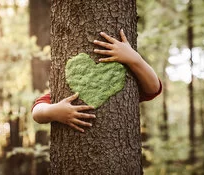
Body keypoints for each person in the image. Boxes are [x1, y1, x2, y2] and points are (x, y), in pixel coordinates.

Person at [31, 29, 162, 133]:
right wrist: (54, 111)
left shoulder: (129, 83)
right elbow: (37, 111)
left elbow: (154, 88)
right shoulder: (67, 91)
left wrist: (134, 59)